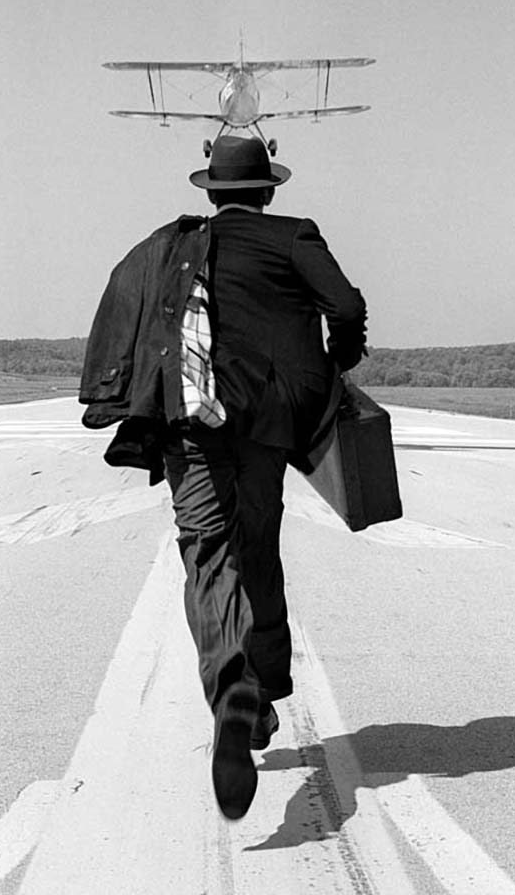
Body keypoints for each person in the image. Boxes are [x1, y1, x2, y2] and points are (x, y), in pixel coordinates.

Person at [79, 135, 366, 819]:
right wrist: (339, 365)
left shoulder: (171, 249)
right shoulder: (293, 236)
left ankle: (231, 685)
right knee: (257, 545)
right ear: (267, 191)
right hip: (267, 425)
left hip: (189, 418)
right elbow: (345, 309)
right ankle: (262, 683)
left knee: (207, 551)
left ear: (212, 192)